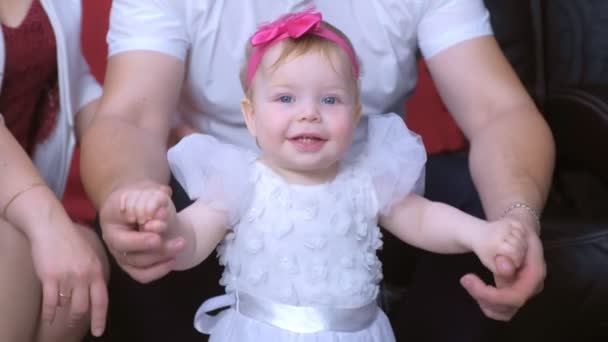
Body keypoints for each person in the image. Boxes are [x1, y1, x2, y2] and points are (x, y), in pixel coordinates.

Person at [81, 1, 555, 341]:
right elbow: (129, 117)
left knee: (472, 208)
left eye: (328, 100)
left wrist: (514, 221)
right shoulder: (231, 177)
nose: (306, 113)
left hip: (363, 182)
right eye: (286, 99)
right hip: (223, 189)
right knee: (150, 215)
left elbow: (499, 111)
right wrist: (136, 206)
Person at [0, 0, 109, 341]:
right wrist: (47, 223)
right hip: (18, 211)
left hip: (19, 202)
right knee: (13, 247)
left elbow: (76, 83)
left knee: (85, 256)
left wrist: (127, 179)